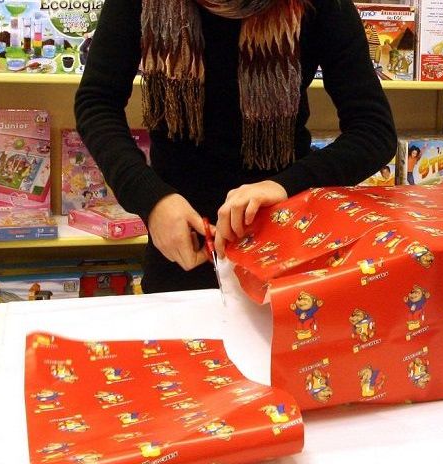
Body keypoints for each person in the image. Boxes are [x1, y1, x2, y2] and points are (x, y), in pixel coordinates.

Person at [75, 0, 397, 293]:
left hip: (283, 244)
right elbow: (97, 103)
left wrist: (282, 186)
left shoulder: (321, 7)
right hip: (181, 246)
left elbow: (373, 131)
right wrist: (151, 200)